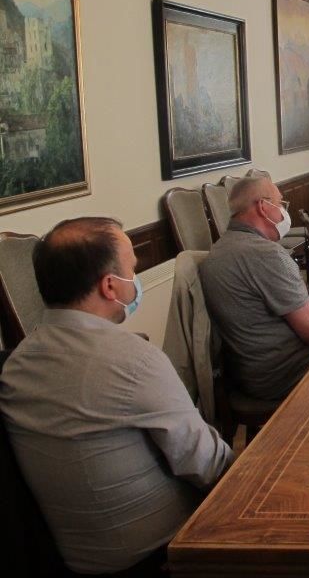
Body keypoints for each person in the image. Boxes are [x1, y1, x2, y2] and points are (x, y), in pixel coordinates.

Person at [0, 217, 234, 575]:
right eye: (132, 269)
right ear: (110, 286)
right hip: (166, 553)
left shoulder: (15, 365)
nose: (135, 279)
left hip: (71, 559)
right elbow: (208, 466)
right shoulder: (134, 361)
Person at [199, 176, 309, 401]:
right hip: (287, 372)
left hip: (250, 373)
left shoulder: (220, 248)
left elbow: (308, 320)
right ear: (263, 207)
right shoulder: (266, 254)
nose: (284, 212)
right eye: (280, 203)